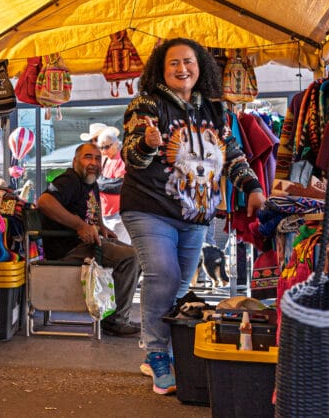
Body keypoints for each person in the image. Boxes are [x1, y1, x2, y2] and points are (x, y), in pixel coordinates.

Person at [120, 38, 265, 395]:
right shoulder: (146, 103)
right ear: (161, 68)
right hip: (150, 207)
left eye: (188, 61)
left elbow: (233, 155)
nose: (182, 68)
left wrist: (252, 188)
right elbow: (131, 157)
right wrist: (147, 144)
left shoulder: (216, 111)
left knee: (181, 285)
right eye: (173, 63)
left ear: (200, 66)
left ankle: (166, 350)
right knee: (163, 274)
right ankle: (156, 354)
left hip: (195, 213)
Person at [37, 143, 141, 336]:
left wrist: (101, 226)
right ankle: (116, 321)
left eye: (97, 158)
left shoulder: (90, 183)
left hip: (87, 244)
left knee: (138, 256)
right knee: (130, 257)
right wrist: (80, 225)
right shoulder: (69, 180)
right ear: (75, 161)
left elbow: (92, 209)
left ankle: (113, 314)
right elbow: (44, 202)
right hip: (68, 249)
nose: (93, 162)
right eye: (88, 157)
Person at [81, 123, 130, 243]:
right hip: (104, 214)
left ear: (115, 144)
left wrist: (99, 183)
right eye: (100, 146)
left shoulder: (122, 158)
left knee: (119, 248)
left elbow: (121, 184)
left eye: (105, 147)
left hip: (117, 214)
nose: (102, 150)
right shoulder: (104, 159)